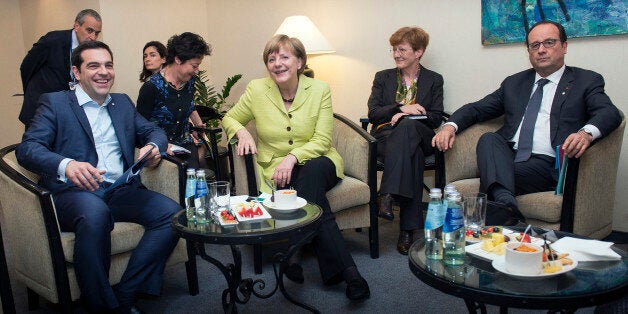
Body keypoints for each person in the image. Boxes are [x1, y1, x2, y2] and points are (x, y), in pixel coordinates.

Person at [16, 41, 180, 313]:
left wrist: (153, 146)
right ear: (76, 72)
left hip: (119, 189)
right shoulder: (55, 103)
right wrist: (66, 165)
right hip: (74, 193)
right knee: (95, 213)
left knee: (171, 214)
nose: (103, 72)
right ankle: (102, 306)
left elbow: (154, 131)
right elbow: (28, 149)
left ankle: (127, 294)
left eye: (108, 65)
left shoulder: (123, 103)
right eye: (93, 65)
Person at [222, 34, 370, 301]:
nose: (277, 63)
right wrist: (242, 132)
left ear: (300, 61)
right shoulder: (257, 90)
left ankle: (293, 251)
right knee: (310, 195)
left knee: (310, 173)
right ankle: (350, 275)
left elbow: (322, 140)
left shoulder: (320, 89)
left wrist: (292, 157)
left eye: (285, 57)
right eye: (271, 58)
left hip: (320, 161)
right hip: (278, 170)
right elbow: (229, 117)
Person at [432, 20, 621, 225]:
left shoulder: (586, 81)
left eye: (549, 43)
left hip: (547, 164)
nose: (541, 50)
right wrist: (449, 126)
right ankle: (507, 207)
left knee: (495, 173)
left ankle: (501, 208)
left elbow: (609, 112)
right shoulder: (514, 83)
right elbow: (477, 109)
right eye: (535, 45)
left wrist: (585, 133)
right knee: (489, 139)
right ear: (528, 51)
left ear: (564, 46)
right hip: (508, 157)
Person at [367, 26, 444, 255]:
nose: (396, 54)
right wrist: (400, 107)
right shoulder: (383, 77)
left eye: (402, 49)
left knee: (409, 126)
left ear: (418, 52)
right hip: (386, 136)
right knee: (414, 156)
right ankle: (407, 231)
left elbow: (436, 117)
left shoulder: (433, 80)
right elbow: (373, 113)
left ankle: (387, 195)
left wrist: (410, 115)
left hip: (420, 133)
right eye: (394, 50)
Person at [136, 32, 212, 169]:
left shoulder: (189, 81)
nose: (196, 70)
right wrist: (162, 144)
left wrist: (197, 127)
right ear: (178, 60)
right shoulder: (151, 87)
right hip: (162, 154)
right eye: (194, 65)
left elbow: (189, 105)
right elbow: (140, 128)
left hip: (186, 148)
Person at [19, 9, 102, 128]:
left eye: (97, 33)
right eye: (89, 30)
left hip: (67, 110)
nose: (93, 37)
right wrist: (31, 94)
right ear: (77, 26)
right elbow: (26, 67)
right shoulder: (53, 40)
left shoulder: (89, 51)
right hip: (41, 109)